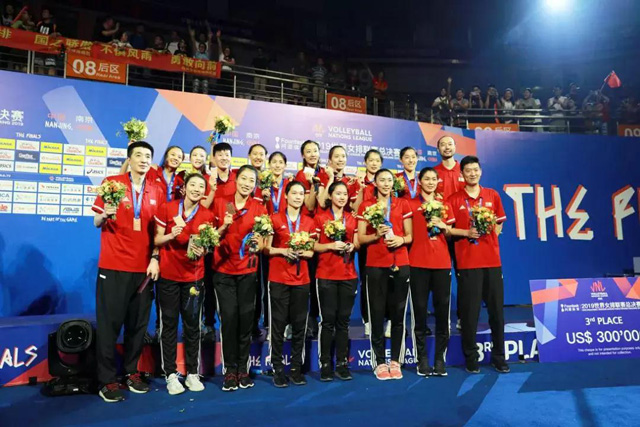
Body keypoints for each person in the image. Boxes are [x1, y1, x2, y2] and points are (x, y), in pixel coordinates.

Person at [91, 141, 163, 403]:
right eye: (139, 155)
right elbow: (96, 221)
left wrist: (155, 258)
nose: (143, 160)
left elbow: (159, 231)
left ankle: (131, 372)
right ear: (129, 159)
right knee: (109, 326)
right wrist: (105, 215)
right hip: (113, 266)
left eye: (148, 156)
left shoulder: (156, 190)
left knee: (137, 325)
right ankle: (107, 380)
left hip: (143, 269)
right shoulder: (112, 183)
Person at [446, 155, 509, 374]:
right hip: (467, 264)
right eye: (468, 170)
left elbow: (500, 223)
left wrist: (491, 235)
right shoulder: (454, 199)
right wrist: (467, 233)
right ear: (461, 174)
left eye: (475, 169)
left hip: (492, 262)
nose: (472, 173)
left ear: (480, 171)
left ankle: (499, 357)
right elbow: (447, 230)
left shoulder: (492, 195)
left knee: (496, 313)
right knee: (469, 314)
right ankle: (471, 358)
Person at [154, 173, 214, 395]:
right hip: (169, 277)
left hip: (193, 279)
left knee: (192, 326)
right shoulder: (168, 208)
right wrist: (171, 235)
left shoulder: (207, 215)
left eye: (201, 186)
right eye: (193, 185)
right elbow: (156, 240)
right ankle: (170, 374)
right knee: (169, 325)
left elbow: (208, 247)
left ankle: (192, 373)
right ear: (184, 188)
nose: (197, 189)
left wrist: (203, 250)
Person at [211, 165, 267, 391]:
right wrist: (223, 226)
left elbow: (263, 243)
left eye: (251, 180)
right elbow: (210, 235)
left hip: (248, 272)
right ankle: (229, 370)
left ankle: (242, 369)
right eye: (243, 179)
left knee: (245, 322)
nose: (247, 184)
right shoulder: (220, 202)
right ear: (236, 180)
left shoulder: (259, 207)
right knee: (229, 320)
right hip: (223, 271)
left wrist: (258, 244)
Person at [357, 169, 413, 380]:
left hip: (400, 262)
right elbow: (361, 238)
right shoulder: (366, 205)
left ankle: (396, 361)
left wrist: (401, 240)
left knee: (398, 316)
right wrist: (375, 235)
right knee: (377, 314)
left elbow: (409, 236)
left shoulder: (402, 204)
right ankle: (379, 362)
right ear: (376, 183)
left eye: (390, 180)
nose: (386, 183)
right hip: (375, 264)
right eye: (382, 180)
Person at [265, 181, 316, 388]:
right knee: (277, 325)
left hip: (301, 279)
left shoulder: (309, 221)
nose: (297, 197)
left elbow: (312, 252)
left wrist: (303, 252)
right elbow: (266, 248)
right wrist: (283, 251)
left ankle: (296, 368)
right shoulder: (274, 218)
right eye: (294, 193)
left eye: (301, 194)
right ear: (285, 196)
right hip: (278, 278)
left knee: (299, 325)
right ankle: (277, 368)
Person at [409, 167, 454, 377]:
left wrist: (444, 226)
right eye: (426, 179)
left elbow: (451, 234)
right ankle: (422, 359)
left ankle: (439, 359)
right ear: (419, 181)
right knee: (419, 312)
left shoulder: (446, 205)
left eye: (433, 179)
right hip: (417, 263)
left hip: (442, 264)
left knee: (442, 313)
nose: (430, 182)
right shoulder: (410, 204)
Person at [314, 181, 359, 381]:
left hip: (348, 275)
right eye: (338, 193)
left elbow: (357, 243)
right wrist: (331, 246)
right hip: (326, 275)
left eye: (345, 194)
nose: (342, 197)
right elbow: (313, 246)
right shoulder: (320, 217)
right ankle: (325, 364)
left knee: (343, 321)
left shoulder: (352, 218)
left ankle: (342, 363)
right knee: (328, 321)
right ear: (331, 196)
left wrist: (351, 246)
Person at [433, 135, 466, 330]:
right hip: (441, 232)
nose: (447, 147)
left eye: (450, 144)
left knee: (464, 275)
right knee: (441, 277)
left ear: (455, 147)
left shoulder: (465, 170)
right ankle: (442, 319)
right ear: (438, 149)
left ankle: (463, 317)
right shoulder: (433, 173)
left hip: (462, 231)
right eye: (443, 144)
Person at [353, 149, 383, 336]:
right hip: (366, 238)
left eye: (377, 160)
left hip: (386, 239)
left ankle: (386, 319)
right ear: (365, 162)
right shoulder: (357, 182)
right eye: (370, 160)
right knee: (367, 281)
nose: (374, 163)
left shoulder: (388, 182)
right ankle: (367, 319)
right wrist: (360, 190)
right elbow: (354, 210)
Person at [317, 145, 360, 212]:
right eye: (336, 156)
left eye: (343, 156)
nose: (340, 160)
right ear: (330, 160)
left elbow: (354, 209)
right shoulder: (321, 177)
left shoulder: (350, 181)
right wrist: (331, 178)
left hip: (343, 218)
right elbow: (323, 204)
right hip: (325, 217)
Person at [294, 139, 327, 215]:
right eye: (308, 152)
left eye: (315, 151)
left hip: (325, 217)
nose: (313, 155)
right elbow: (310, 207)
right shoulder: (301, 175)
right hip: (308, 218)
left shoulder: (325, 172)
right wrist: (313, 184)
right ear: (303, 155)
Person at [34, 8, 60, 76]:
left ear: (50, 15)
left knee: (51, 68)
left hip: (50, 50)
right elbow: (34, 34)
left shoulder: (53, 25)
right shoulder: (39, 24)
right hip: (39, 50)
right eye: (43, 12)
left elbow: (60, 35)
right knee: (39, 67)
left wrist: (56, 34)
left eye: (45, 12)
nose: (43, 13)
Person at [216, 29, 236, 96]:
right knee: (220, 90)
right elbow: (219, 46)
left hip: (229, 75)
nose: (227, 52)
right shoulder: (221, 55)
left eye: (228, 51)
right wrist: (218, 37)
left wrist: (224, 63)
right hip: (222, 74)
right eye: (226, 50)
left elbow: (233, 64)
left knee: (228, 91)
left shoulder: (232, 58)